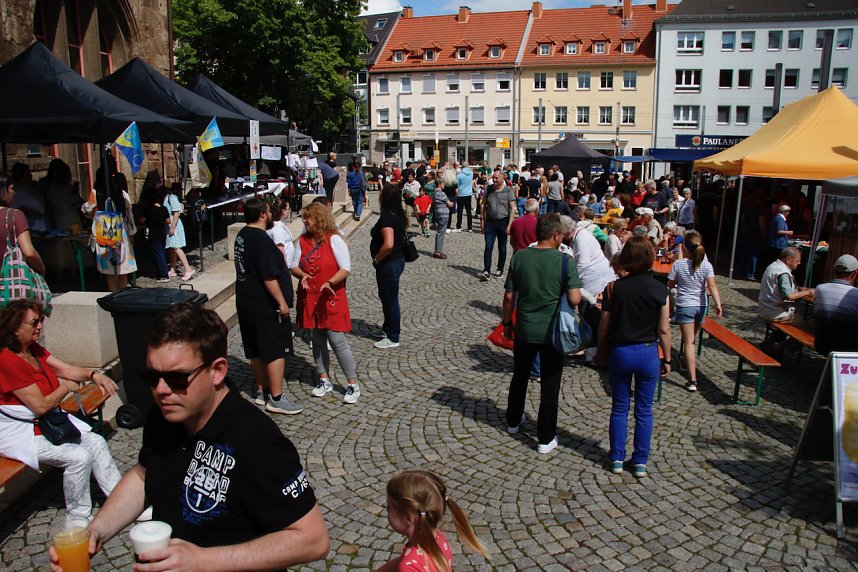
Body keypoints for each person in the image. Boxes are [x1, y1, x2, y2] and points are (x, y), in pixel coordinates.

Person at [49, 303, 330, 571]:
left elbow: (312, 540)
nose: (160, 390)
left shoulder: (256, 439)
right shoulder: (166, 414)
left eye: (176, 379)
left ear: (217, 371)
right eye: (151, 376)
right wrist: (96, 531)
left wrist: (202, 561)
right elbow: (144, 475)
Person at [0, 299, 121, 519]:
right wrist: (66, 387)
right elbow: (41, 405)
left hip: (46, 423)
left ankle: (120, 500)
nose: (40, 326)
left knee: (96, 441)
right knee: (78, 457)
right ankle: (78, 516)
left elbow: (66, 369)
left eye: (41, 320)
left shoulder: (34, 350)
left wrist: (94, 375)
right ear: (14, 328)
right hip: (22, 433)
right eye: (34, 322)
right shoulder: (8, 361)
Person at [502, 214, 582, 454]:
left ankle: (513, 421)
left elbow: (508, 297)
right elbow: (575, 298)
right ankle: (545, 438)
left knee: (520, 375)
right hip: (552, 332)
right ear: (556, 235)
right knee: (550, 383)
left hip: (525, 327)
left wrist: (507, 322)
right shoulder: (565, 262)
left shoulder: (520, 257)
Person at [598, 237, 671, 478]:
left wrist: (601, 351)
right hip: (648, 352)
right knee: (644, 410)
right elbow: (664, 330)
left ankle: (617, 457)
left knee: (619, 408)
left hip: (621, 351)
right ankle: (640, 461)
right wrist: (667, 358)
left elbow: (604, 325)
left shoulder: (614, 288)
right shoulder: (661, 290)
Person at [234, 197, 302, 415]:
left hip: (246, 302)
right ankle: (277, 397)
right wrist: (282, 302)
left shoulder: (242, 235)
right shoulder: (261, 239)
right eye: (268, 211)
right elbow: (268, 277)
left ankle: (260, 389)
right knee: (273, 351)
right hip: (265, 304)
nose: (271, 214)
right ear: (263, 214)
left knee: (255, 350)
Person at [290, 203, 361, 404]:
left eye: (308, 217)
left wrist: (330, 282)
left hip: (330, 297)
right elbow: (293, 265)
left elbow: (345, 268)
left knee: (337, 341)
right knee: (317, 339)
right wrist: (302, 275)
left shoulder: (334, 240)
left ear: (319, 219)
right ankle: (324, 379)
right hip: (311, 297)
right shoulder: (303, 241)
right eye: (304, 217)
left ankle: (352, 384)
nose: (305, 221)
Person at [377, 470, 489, 572]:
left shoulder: (408, 567)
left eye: (389, 508)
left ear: (408, 518)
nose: (387, 510)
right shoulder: (437, 538)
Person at [667, 231, 723, 392]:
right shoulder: (707, 265)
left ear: (685, 247)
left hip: (685, 305)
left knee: (689, 342)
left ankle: (692, 380)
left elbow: (670, 284)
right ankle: (685, 361)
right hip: (701, 306)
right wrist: (718, 304)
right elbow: (712, 286)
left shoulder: (680, 264)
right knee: (691, 339)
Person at [83, 162, 137, 292]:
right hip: (121, 232)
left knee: (110, 272)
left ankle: (113, 294)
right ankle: (123, 294)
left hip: (104, 231)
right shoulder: (123, 193)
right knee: (122, 270)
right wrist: (132, 232)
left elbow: (87, 210)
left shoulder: (96, 193)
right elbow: (129, 213)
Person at [371, 185, 406, 349]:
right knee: (386, 297)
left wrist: (377, 259)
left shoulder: (387, 217)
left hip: (388, 262)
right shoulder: (398, 214)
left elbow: (388, 244)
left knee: (390, 299)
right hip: (396, 261)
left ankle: (393, 336)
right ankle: (388, 329)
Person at [0, 174, 46, 278]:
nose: (14, 193)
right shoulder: (14, 215)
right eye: (11, 188)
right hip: (9, 282)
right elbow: (29, 252)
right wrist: (41, 268)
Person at [814, 254, 858, 356]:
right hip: (849, 348)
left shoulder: (820, 289)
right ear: (855, 273)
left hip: (821, 345)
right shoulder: (856, 294)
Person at [757, 246, 814, 324]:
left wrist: (800, 289)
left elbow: (781, 287)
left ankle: (777, 336)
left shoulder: (773, 266)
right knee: (805, 325)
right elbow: (789, 296)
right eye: (798, 260)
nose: (799, 263)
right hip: (774, 313)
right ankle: (778, 336)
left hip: (764, 309)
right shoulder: (783, 272)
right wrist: (808, 292)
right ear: (788, 259)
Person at [479, 171, 516, 281]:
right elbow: (483, 204)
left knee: (502, 247)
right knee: (488, 246)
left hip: (502, 222)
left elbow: (512, 208)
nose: (494, 180)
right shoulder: (489, 189)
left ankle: (500, 269)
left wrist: (509, 225)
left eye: (496, 178)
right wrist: (482, 220)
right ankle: (486, 271)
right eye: (493, 178)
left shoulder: (508, 190)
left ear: (502, 178)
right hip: (490, 222)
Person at [41, 158, 83, 233]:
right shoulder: (65, 187)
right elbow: (75, 201)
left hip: (58, 220)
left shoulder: (49, 186)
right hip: (70, 220)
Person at [164, 182, 194, 281]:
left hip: (174, 224)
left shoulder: (171, 198)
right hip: (170, 224)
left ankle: (188, 269)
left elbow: (176, 213)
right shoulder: (170, 197)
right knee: (172, 248)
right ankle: (172, 269)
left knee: (176, 247)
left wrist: (173, 227)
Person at [140, 186, 170, 283]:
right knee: (162, 253)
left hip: (153, 235)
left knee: (158, 254)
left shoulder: (149, 210)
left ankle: (164, 274)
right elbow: (168, 220)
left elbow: (141, 221)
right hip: (162, 233)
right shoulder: (164, 209)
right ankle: (161, 272)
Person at [9, 162, 49, 235]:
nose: (30, 175)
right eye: (27, 173)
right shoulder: (17, 191)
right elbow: (15, 209)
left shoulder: (32, 188)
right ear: (20, 176)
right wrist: (32, 212)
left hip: (42, 226)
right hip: (31, 227)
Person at [432, 179, 453, 259]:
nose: (444, 185)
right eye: (443, 184)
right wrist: (452, 203)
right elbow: (449, 203)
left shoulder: (434, 193)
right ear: (440, 184)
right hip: (443, 213)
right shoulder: (441, 193)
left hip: (438, 213)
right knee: (441, 232)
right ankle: (438, 251)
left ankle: (438, 250)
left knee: (440, 231)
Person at [455, 166, 474, 231]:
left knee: (460, 211)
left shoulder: (459, 175)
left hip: (461, 194)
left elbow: (456, 184)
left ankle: (459, 226)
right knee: (469, 211)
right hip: (469, 194)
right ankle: (470, 227)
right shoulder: (471, 173)